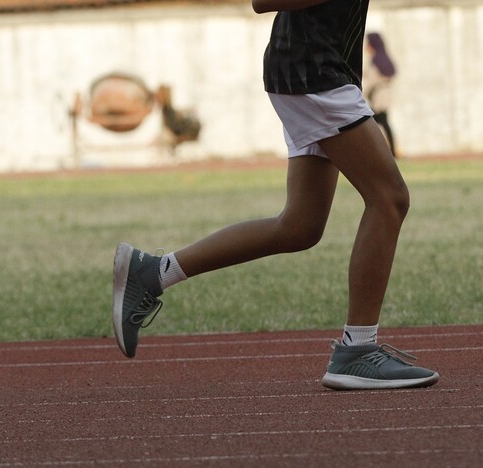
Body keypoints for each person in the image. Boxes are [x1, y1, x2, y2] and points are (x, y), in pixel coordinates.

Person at [112, 0, 439, 391]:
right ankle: (357, 351)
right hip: (314, 73)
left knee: (300, 226)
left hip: (318, 70)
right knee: (390, 199)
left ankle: (155, 272)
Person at [363, 32, 397, 157]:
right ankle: (389, 151)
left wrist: (363, 92)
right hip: (381, 94)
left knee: (374, 124)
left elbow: (373, 79)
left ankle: (383, 152)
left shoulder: (376, 60)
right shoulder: (381, 58)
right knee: (382, 123)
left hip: (379, 96)